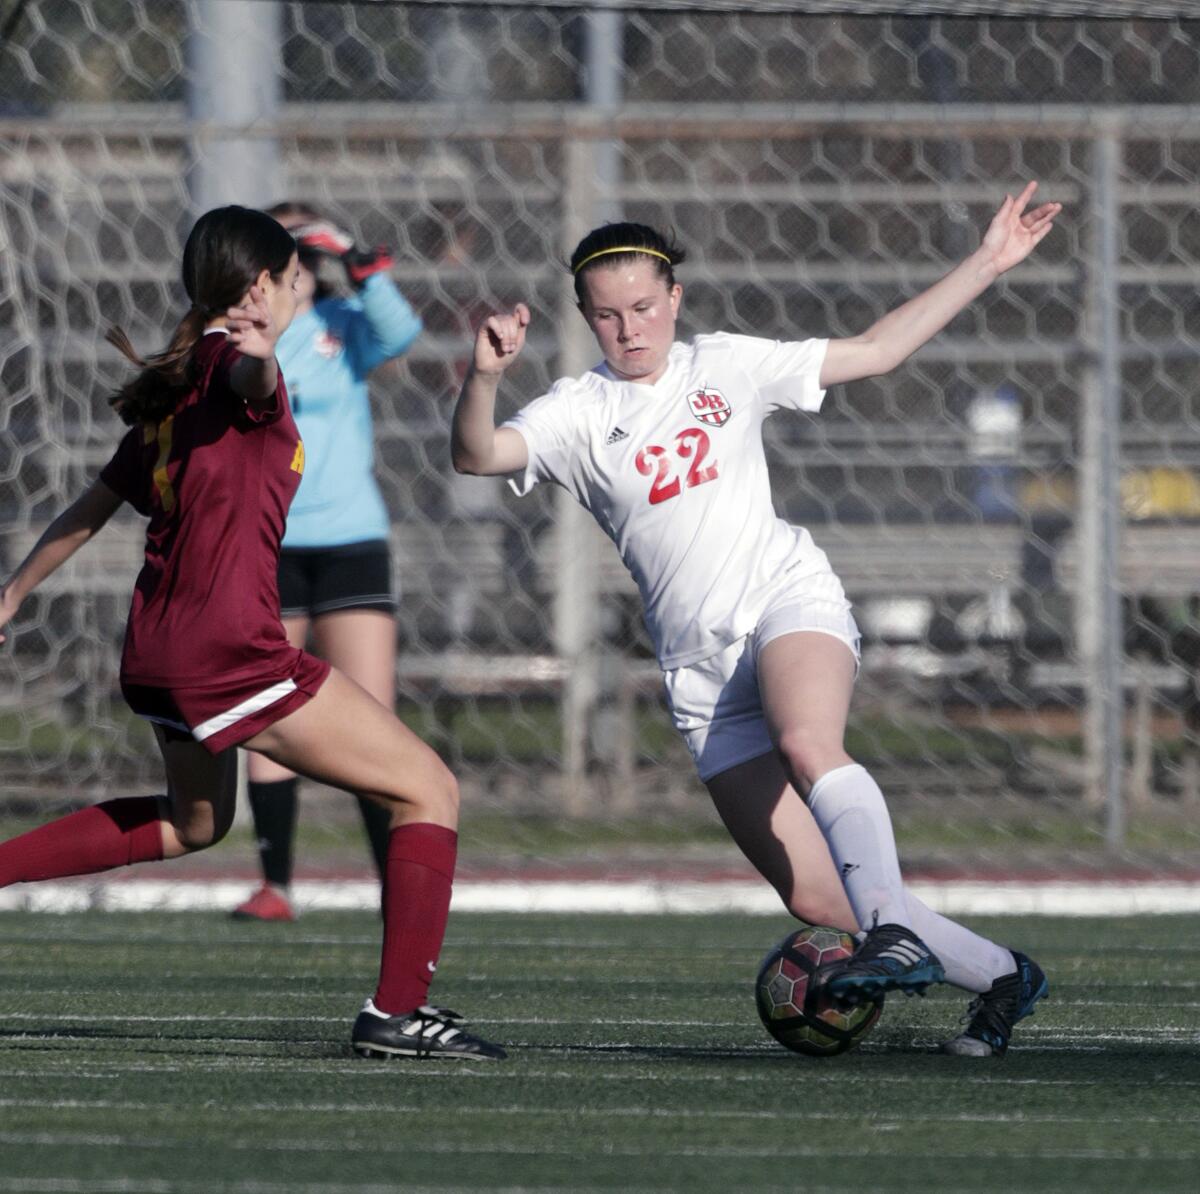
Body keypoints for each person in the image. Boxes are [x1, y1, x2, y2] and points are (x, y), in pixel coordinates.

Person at [451, 184, 1061, 1058]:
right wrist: (483, 376)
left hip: (785, 602)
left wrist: (988, 260)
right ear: (586, 318)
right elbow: (476, 454)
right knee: (819, 900)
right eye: (608, 314)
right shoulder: (576, 413)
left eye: (643, 307)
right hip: (699, 672)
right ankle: (1005, 977)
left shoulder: (727, 365)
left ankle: (892, 935)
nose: (629, 328)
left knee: (811, 743)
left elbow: (880, 351)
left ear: (676, 301)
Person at [0, 205, 504, 1061]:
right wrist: (260, 360)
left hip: (156, 653)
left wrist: (12, 593)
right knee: (429, 788)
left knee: (196, 825)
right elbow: (255, 385)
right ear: (268, 284)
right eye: (291, 277)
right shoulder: (235, 370)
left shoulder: (175, 382)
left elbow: (96, 501)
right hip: (226, 651)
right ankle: (396, 1013)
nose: (297, 290)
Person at [231, 202, 422, 924]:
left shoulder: (344, 327)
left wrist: (361, 263)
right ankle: (275, 883)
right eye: (282, 259)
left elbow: (403, 332)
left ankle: (395, 884)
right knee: (268, 713)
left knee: (373, 716)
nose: (297, 273)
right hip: (267, 545)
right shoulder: (240, 338)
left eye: (304, 259)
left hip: (350, 542)